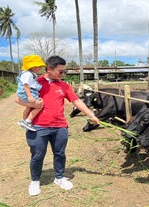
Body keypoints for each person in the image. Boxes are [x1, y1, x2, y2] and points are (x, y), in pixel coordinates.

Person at [15, 55, 99, 196]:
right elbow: (17, 98)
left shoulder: (64, 86)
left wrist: (91, 115)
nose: (63, 74)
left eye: (64, 71)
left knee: (60, 154)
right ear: (49, 69)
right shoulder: (36, 81)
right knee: (37, 155)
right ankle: (35, 181)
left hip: (60, 126)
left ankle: (59, 178)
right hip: (38, 126)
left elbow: (77, 102)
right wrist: (33, 104)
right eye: (60, 71)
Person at [16, 54, 46, 131]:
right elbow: (26, 85)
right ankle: (28, 121)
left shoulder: (29, 74)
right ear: (32, 66)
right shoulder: (28, 74)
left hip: (28, 92)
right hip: (27, 93)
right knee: (39, 106)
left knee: (29, 107)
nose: (39, 68)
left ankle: (25, 121)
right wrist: (30, 96)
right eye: (38, 66)